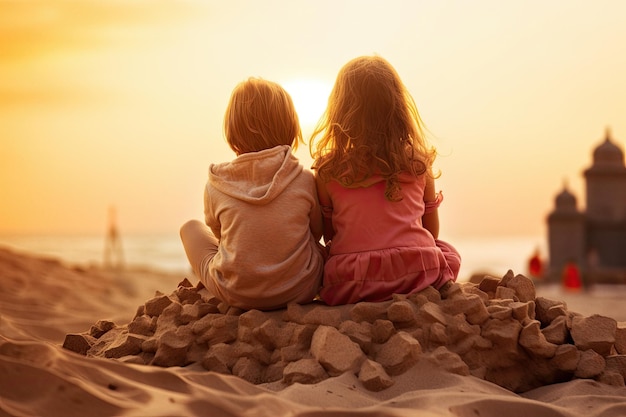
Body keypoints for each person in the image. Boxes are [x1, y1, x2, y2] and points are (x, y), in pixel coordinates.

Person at [310, 55, 461, 306]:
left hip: (351, 280)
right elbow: (431, 232)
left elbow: (330, 236)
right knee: (448, 253)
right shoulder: (417, 162)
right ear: (398, 109)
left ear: (340, 110)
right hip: (418, 270)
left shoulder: (328, 170)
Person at [180, 78, 325, 311]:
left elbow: (219, 235)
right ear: (290, 127)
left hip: (236, 292)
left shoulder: (217, 184)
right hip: (301, 289)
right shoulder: (304, 178)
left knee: (189, 228)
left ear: (232, 130)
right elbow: (316, 231)